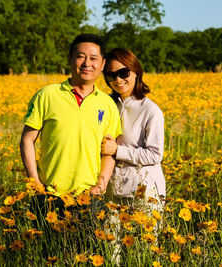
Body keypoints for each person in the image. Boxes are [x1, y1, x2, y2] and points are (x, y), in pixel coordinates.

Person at [20, 33, 122, 200]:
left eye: (93, 58)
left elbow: (109, 152)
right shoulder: (47, 95)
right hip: (48, 193)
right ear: (69, 59)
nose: (87, 63)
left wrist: (101, 186)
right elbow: (27, 140)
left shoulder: (108, 104)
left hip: (89, 197)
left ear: (103, 64)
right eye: (80, 57)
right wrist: (35, 183)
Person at [101, 48, 165, 241]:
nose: (118, 80)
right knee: (110, 249)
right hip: (111, 191)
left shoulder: (150, 110)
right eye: (111, 75)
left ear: (136, 71)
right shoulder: (105, 106)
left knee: (143, 250)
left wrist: (117, 151)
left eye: (123, 73)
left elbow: (155, 155)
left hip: (144, 193)